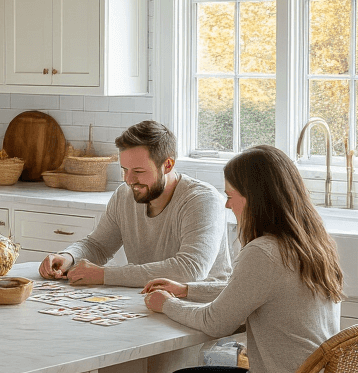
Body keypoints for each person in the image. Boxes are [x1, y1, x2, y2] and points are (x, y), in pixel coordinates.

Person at [145, 145, 343, 373]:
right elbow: (251, 290)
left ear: (255, 198)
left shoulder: (264, 251)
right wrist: (186, 289)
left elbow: (216, 322)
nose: (227, 204)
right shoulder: (311, 242)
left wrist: (167, 304)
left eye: (231, 195)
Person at [39, 120, 232, 289]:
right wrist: (68, 257)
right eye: (124, 170)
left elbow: (190, 269)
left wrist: (104, 275)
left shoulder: (202, 200)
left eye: (138, 171)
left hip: (201, 310)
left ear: (168, 165)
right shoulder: (125, 194)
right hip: (147, 301)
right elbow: (98, 246)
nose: (128, 180)